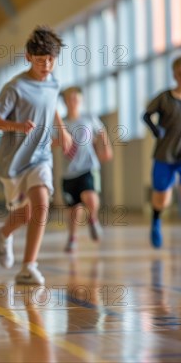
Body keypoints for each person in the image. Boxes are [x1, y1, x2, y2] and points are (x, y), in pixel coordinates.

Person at [0, 25, 72, 285]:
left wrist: (63, 130)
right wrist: (18, 126)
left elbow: (52, 105)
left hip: (41, 156)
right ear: (28, 57)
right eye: (40, 60)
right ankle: (4, 232)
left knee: (42, 205)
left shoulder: (54, 82)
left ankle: (28, 266)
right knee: (26, 212)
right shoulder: (15, 87)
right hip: (14, 161)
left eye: (50, 60)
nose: (46, 65)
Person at [142, 56, 181, 250]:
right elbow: (146, 115)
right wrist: (155, 130)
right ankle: (155, 221)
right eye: (179, 74)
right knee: (162, 198)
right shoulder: (164, 98)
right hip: (164, 154)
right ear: (174, 75)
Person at [58, 87, 112, 252]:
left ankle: (93, 220)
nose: (73, 101)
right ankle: (72, 238)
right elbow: (52, 141)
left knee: (90, 198)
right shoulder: (61, 122)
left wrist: (107, 148)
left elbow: (101, 132)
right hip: (68, 171)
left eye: (76, 98)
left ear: (80, 100)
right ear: (65, 101)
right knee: (73, 210)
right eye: (69, 98)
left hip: (88, 166)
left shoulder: (89, 117)